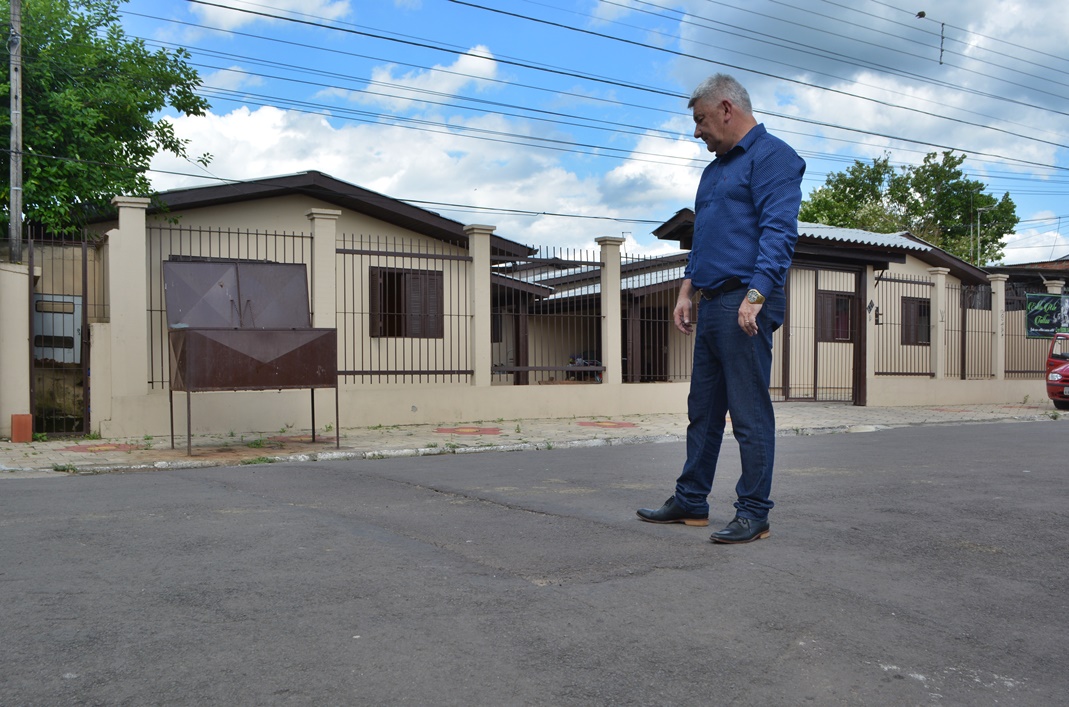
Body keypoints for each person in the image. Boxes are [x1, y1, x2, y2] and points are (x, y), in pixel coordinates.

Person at [637, 74, 805, 543]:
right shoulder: (713, 172)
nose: (697, 132)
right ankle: (691, 499)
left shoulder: (776, 158)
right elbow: (703, 240)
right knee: (702, 412)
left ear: (726, 109)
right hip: (711, 301)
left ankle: (754, 513)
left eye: (701, 120)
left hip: (744, 302)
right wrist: (686, 291)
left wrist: (756, 296)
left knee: (749, 415)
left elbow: (779, 234)